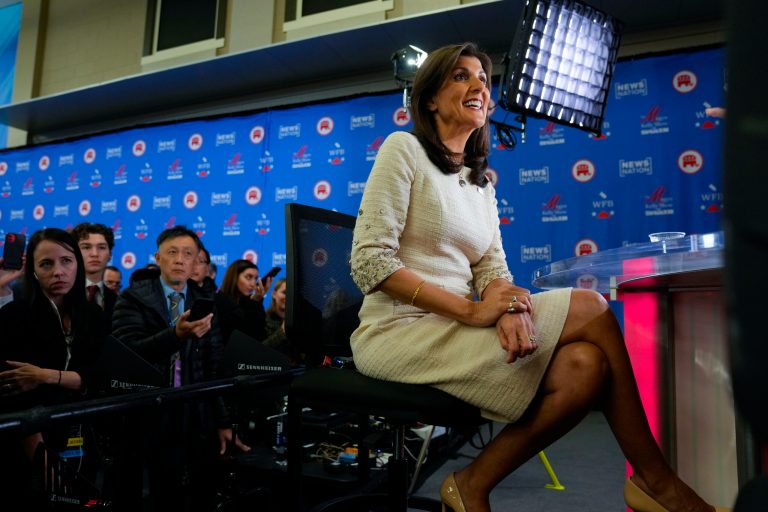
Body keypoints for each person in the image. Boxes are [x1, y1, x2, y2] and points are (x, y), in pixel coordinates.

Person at [349, 43, 729, 512]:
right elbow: (371, 262)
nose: (479, 86)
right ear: (429, 98)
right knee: (591, 307)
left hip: (454, 328)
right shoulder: (402, 149)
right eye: (461, 76)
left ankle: (471, 483)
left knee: (584, 366)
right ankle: (657, 480)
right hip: (397, 332)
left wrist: (509, 306)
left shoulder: (480, 183)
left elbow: (494, 270)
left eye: (484, 80)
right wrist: (475, 311)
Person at [111, 226, 248, 511]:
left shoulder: (205, 302)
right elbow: (127, 355)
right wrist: (175, 335)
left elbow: (214, 368)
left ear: (198, 261)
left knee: (198, 495)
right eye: (172, 252)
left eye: (188, 254)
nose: (180, 260)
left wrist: (222, 422)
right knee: (152, 494)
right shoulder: (132, 298)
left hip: (195, 415)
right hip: (148, 413)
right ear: (158, 258)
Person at [0, 228, 105, 506]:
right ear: (33, 270)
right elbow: (16, 390)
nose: (58, 271)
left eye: (66, 261)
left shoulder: (93, 315)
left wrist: (46, 376)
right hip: (30, 443)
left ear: (77, 265)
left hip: (83, 437)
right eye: (46, 263)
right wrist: (40, 455)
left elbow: (101, 378)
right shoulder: (15, 315)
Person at [72, 223, 118, 329]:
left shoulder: (118, 301)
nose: (94, 254)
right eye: (86, 247)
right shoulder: (60, 293)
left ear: (110, 254)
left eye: (101, 247)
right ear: (74, 253)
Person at [217, 259, 271, 342]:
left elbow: (259, 336)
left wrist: (257, 302)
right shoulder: (221, 302)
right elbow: (243, 336)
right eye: (248, 277)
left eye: (255, 278)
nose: (253, 284)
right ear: (234, 277)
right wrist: (255, 303)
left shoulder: (249, 302)